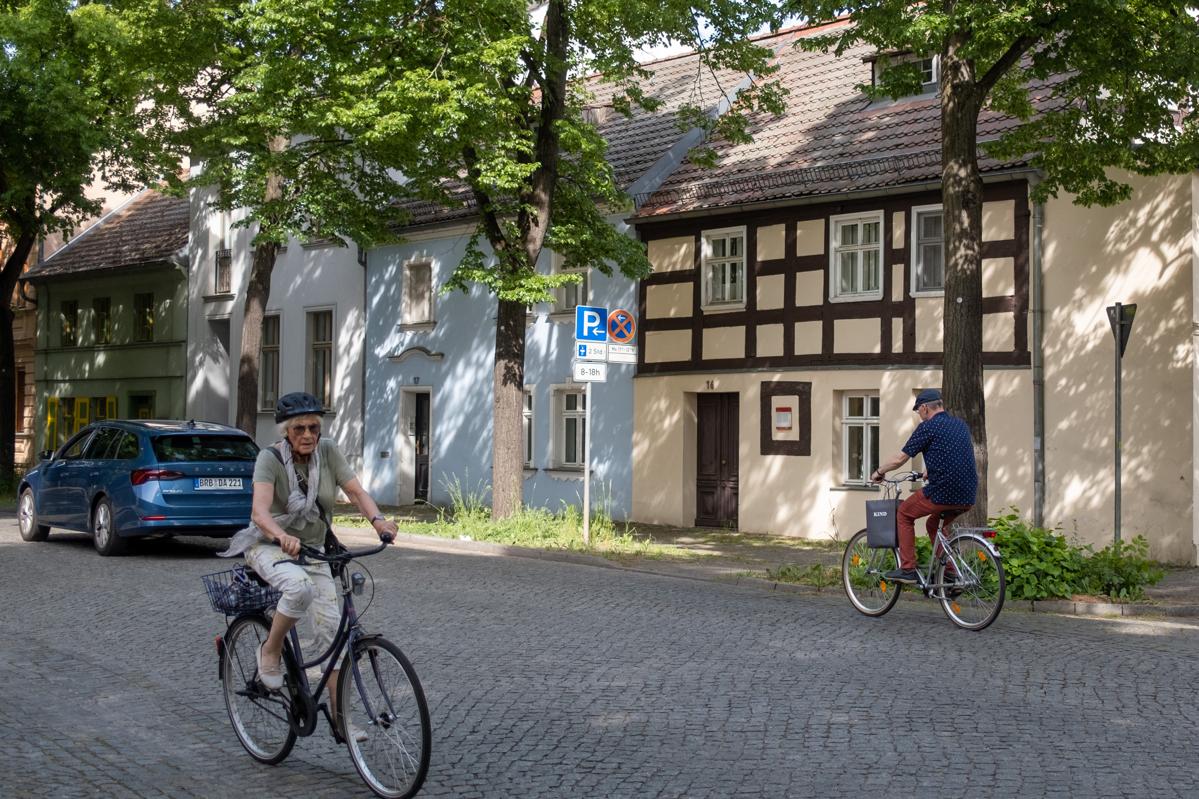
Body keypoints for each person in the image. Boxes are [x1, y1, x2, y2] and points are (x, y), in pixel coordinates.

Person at [219, 391, 398, 739]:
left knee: (332, 632)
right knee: (299, 588)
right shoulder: (269, 459)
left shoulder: (328, 452)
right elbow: (259, 512)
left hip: (313, 550)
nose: (307, 435)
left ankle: (341, 719)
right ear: (286, 432)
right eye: (299, 428)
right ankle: (270, 650)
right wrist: (280, 535)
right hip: (268, 546)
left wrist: (379, 522)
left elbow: (356, 492)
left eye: (313, 427)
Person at [869, 388, 976, 583]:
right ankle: (950, 573)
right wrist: (930, 469)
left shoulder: (928, 427)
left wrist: (879, 472)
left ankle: (908, 569)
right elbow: (954, 453)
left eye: (918, 410)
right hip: (968, 492)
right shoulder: (960, 424)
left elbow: (900, 458)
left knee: (904, 513)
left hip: (943, 491)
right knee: (932, 524)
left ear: (925, 408)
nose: (919, 414)